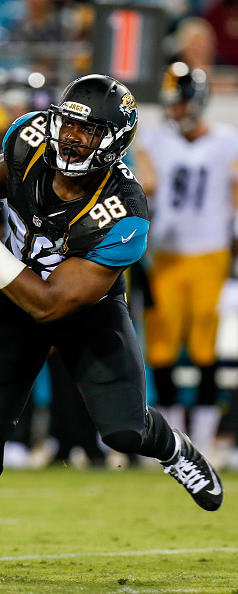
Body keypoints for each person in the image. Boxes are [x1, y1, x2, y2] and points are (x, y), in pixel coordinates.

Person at [0, 73, 225, 571]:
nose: (72, 136)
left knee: (124, 432)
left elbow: (50, 303)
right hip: (15, 293)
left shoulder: (124, 212)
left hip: (83, 307)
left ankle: (174, 447)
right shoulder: (27, 142)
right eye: (69, 123)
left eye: (88, 131)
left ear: (114, 140)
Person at [136, 62, 238, 458]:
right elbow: (147, 187)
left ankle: (207, 437)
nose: (173, 111)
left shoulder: (227, 141)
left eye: (178, 104)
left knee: (203, 346)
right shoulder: (154, 139)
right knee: (160, 345)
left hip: (210, 251)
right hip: (166, 254)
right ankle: (172, 438)